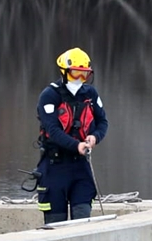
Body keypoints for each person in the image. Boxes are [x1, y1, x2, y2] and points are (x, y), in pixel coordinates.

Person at [34, 47, 109, 224]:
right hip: (55, 166)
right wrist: (77, 145)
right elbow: (53, 131)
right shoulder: (49, 95)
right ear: (64, 72)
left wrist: (95, 137)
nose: (80, 79)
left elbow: (102, 122)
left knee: (82, 220)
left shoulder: (90, 94)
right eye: (76, 73)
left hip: (81, 166)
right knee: (56, 224)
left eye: (85, 75)